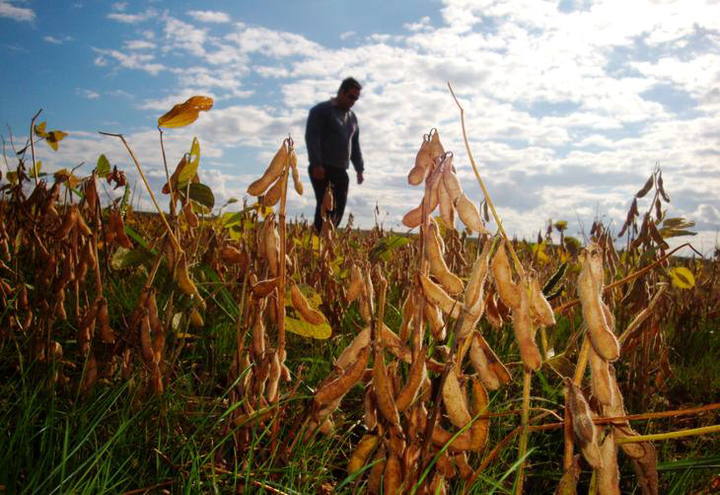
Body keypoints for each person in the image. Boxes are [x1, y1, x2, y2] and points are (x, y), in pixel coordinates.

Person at [305, 77, 364, 232]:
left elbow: (355, 145)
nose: (353, 101)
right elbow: (312, 137)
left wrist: (359, 169)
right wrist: (316, 163)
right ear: (341, 92)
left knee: (338, 209)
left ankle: (326, 240)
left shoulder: (352, 118)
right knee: (325, 206)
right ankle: (317, 240)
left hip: (340, 170)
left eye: (356, 99)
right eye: (351, 97)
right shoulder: (321, 111)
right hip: (322, 168)